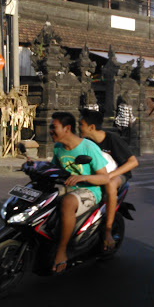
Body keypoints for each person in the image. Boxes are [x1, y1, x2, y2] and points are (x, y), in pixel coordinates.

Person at [50, 111, 109, 273]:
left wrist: (82, 177)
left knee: (67, 202)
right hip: (68, 187)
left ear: (67, 128)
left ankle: (62, 252)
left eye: (53, 127)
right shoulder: (58, 148)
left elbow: (104, 179)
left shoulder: (88, 147)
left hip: (89, 190)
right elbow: (54, 169)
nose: (50, 130)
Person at [79, 109, 139, 250]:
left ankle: (108, 230)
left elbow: (133, 162)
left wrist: (109, 176)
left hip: (117, 175)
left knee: (110, 184)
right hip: (98, 174)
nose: (79, 127)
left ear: (91, 127)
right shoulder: (85, 142)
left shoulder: (112, 139)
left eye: (81, 124)